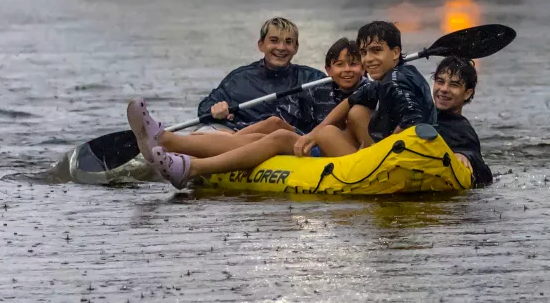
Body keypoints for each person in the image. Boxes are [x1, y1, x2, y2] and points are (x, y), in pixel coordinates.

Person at [126, 38, 368, 188]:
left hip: (333, 151)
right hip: (312, 140)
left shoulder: (368, 89)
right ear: (328, 68)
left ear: (364, 66)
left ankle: (182, 156)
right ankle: (170, 145)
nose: (347, 70)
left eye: (354, 64)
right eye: (340, 65)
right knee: (272, 124)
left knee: (278, 138)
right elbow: (289, 117)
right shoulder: (320, 87)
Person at [292, 20, 436, 158]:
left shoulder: (395, 80)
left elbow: (413, 120)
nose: (368, 59)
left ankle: (360, 169)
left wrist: (379, 152)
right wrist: (314, 132)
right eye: (364, 53)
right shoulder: (394, 76)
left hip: (414, 156)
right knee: (356, 112)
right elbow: (351, 100)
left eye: (376, 50)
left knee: (325, 134)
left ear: (395, 53)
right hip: (401, 150)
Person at [195, 17, 325, 135]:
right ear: (261, 45)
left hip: (295, 144)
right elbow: (204, 108)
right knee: (202, 132)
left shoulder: (313, 79)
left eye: (288, 42)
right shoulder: (239, 79)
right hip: (244, 141)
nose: (281, 47)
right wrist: (216, 109)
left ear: (296, 48)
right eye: (274, 41)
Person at [431, 56, 494, 187]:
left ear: (467, 93)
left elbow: (483, 170)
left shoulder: (462, 130)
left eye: (454, 85)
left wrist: (464, 155)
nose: (444, 89)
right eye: (440, 81)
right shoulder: (418, 115)